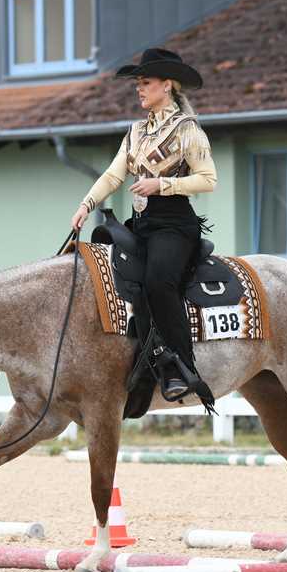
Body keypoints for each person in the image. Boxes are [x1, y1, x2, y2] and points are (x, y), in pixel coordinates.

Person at [70, 48, 216, 402]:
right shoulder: (136, 131)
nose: (139, 88)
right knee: (115, 278)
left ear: (167, 85)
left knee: (157, 281)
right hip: (142, 224)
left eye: (145, 82)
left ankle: (180, 365)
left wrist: (162, 184)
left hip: (174, 224)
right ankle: (134, 358)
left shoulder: (188, 130)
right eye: (137, 83)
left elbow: (208, 180)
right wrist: (86, 205)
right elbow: (113, 175)